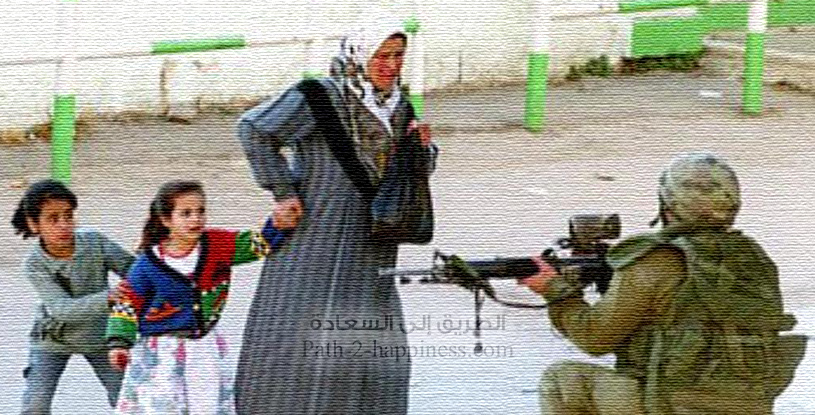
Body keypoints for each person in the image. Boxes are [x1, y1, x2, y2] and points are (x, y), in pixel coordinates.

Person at [234, 10, 436, 415]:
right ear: (359, 55)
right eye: (381, 55)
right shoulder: (319, 96)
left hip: (371, 243)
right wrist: (283, 192)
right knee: (299, 334)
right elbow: (254, 129)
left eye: (398, 55)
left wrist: (422, 150)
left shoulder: (400, 107)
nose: (391, 65)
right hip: (315, 239)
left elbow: (406, 175)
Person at [521, 152, 807, 414]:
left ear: (666, 204)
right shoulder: (755, 258)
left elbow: (594, 338)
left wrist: (554, 289)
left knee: (563, 379)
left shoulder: (656, 259)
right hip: (748, 404)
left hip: (670, 404)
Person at [105, 180, 287, 415]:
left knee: (206, 406)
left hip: (205, 348)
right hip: (161, 352)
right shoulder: (147, 265)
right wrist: (119, 343)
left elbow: (258, 245)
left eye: (201, 211)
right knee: (162, 408)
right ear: (166, 220)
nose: (196, 219)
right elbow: (127, 304)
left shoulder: (217, 245)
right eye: (186, 213)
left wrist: (277, 223)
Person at [12, 179, 135, 414]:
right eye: (53, 218)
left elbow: (134, 271)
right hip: (52, 340)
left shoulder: (95, 242)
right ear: (33, 224)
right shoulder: (34, 264)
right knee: (35, 406)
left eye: (68, 216)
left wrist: (151, 256)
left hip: (101, 335)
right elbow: (62, 310)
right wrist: (109, 298)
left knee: (127, 399)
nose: (64, 225)